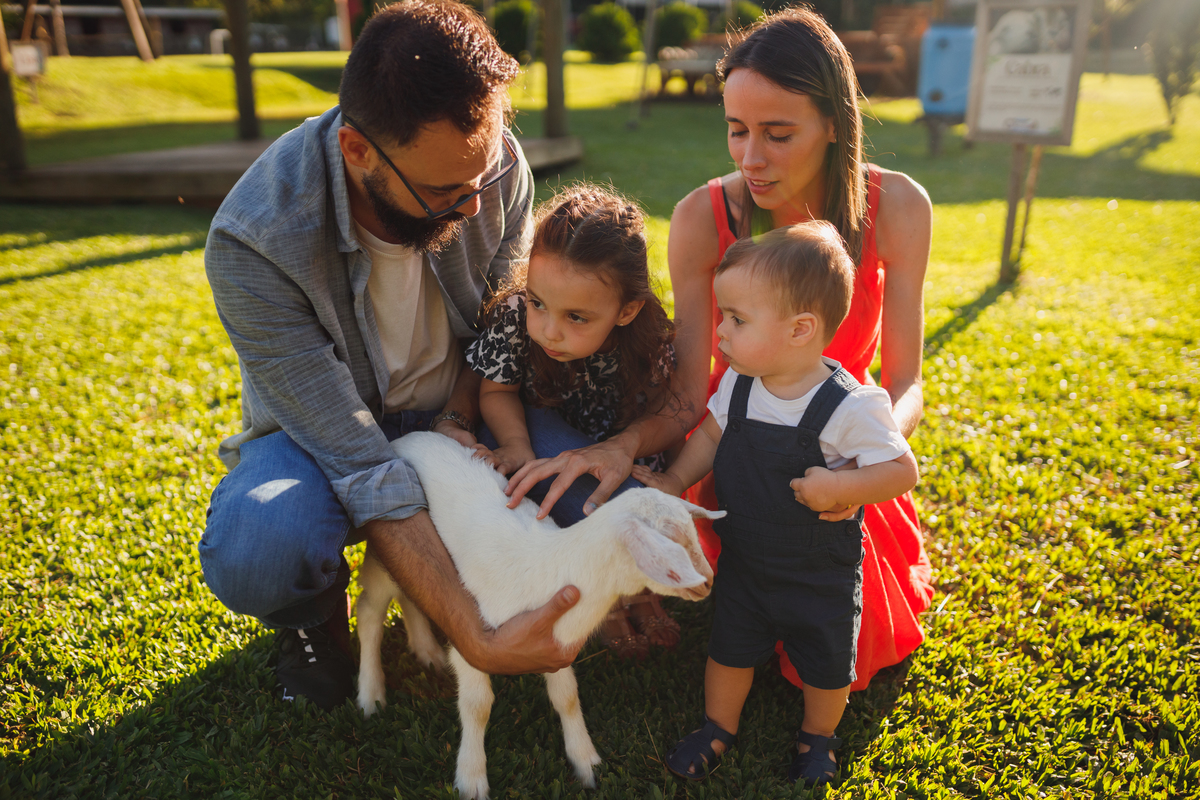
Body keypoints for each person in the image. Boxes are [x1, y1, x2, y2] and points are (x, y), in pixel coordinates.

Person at [199, 0, 583, 713]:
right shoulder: (252, 241)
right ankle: (313, 621)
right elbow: (357, 457)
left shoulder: (490, 169)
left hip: (464, 405)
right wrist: (476, 634)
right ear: (358, 152)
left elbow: (501, 325)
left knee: (589, 490)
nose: (472, 206)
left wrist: (464, 417)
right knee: (260, 547)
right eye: (443, 190)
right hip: (324, 438)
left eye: (483, 175)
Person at [665, 5, 936, 701]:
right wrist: (636, 460)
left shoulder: (897, 206)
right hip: (736, 447)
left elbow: (905, 382)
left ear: (834, 125)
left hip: (843, 449)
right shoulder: (704, 217)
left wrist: (860, 459)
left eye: (777, 134)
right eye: (736, 130)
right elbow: (691, 394)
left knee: (856, 631)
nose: (750, 158)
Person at [635, 222, 919, 786]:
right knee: (730, 651)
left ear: (801, 330)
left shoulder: (849, 404)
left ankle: (818, 738)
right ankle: (717, 727)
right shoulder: (741, 383)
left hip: (819, 571)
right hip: (746, 560)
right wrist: (674, 482)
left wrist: (839, 489)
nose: (720, 331)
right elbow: (711, 438)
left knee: (826, 662)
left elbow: (901, 469)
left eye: (737, 320)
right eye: (724, 316)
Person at [465, 185, 683, 658]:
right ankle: (602, 597)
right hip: (539, 435)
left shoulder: (648, 342)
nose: (548, 329)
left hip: (616, 443)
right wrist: (516, 444)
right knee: (586, 508)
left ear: (627, 311)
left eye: (576, 317)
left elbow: (665, 412)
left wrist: (642, 460)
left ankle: (635, 590)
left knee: (635, 504)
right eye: (538, 302)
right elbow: (495, 390)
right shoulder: (513, 318)